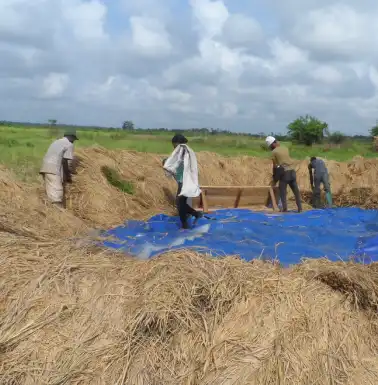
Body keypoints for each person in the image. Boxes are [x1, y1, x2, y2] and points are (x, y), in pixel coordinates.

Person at [163, 134, 202, 229]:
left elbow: (177, 163)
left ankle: (187, 222)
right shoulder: (185, 151)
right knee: (181, 203)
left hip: (185, 182)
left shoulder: (183, 152)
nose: (173, 147)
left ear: (178, 144)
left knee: (180, 203)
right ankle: (195, 214)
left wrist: (167, 162)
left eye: (174, 145)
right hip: (184, 181)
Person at [40, 131, 78, 208]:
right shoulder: (69, 144)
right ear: (71, 137)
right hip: (53, 169)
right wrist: (68, 175)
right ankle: (59, 216)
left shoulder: (56, 142)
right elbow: (66, 161)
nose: (73, 141)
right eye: (73, 139)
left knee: (50, 192)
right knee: (57, 194)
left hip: (45, 167)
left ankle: (49, 211)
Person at [265, 136, 302, 213]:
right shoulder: (285, 148)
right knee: (296, 191)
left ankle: (285, 209)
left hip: (285, 173)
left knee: (282, 191)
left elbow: (275, 166)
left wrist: (275, 178)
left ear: (273, 144)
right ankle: (300, 209)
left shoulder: (274, 152)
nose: (270, 148)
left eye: (270, 146)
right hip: (292, 171)